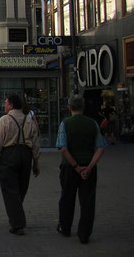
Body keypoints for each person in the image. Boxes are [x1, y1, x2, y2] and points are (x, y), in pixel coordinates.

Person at [55, 93, 106, 244]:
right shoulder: (92, 123)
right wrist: (89, 167)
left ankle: (65, 227)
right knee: (88, 202)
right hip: (89, 168)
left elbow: (63, 148)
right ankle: (84, 234)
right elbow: (100, 147)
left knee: (67, 198)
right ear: (83, 107)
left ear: (69, 107)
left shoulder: (65, 123)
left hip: (70, 168)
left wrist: (76, 167)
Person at [0, 94, 40, 235]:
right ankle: (16, 214)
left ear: (11, 105)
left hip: (9, 155)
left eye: (5, 103)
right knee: (21, 187)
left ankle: (17, 223)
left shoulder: (4, 120)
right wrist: (36, 162)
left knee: (9, 189)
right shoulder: (29, 120)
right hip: (26, 155)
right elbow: (36, 143)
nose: (4, 105)